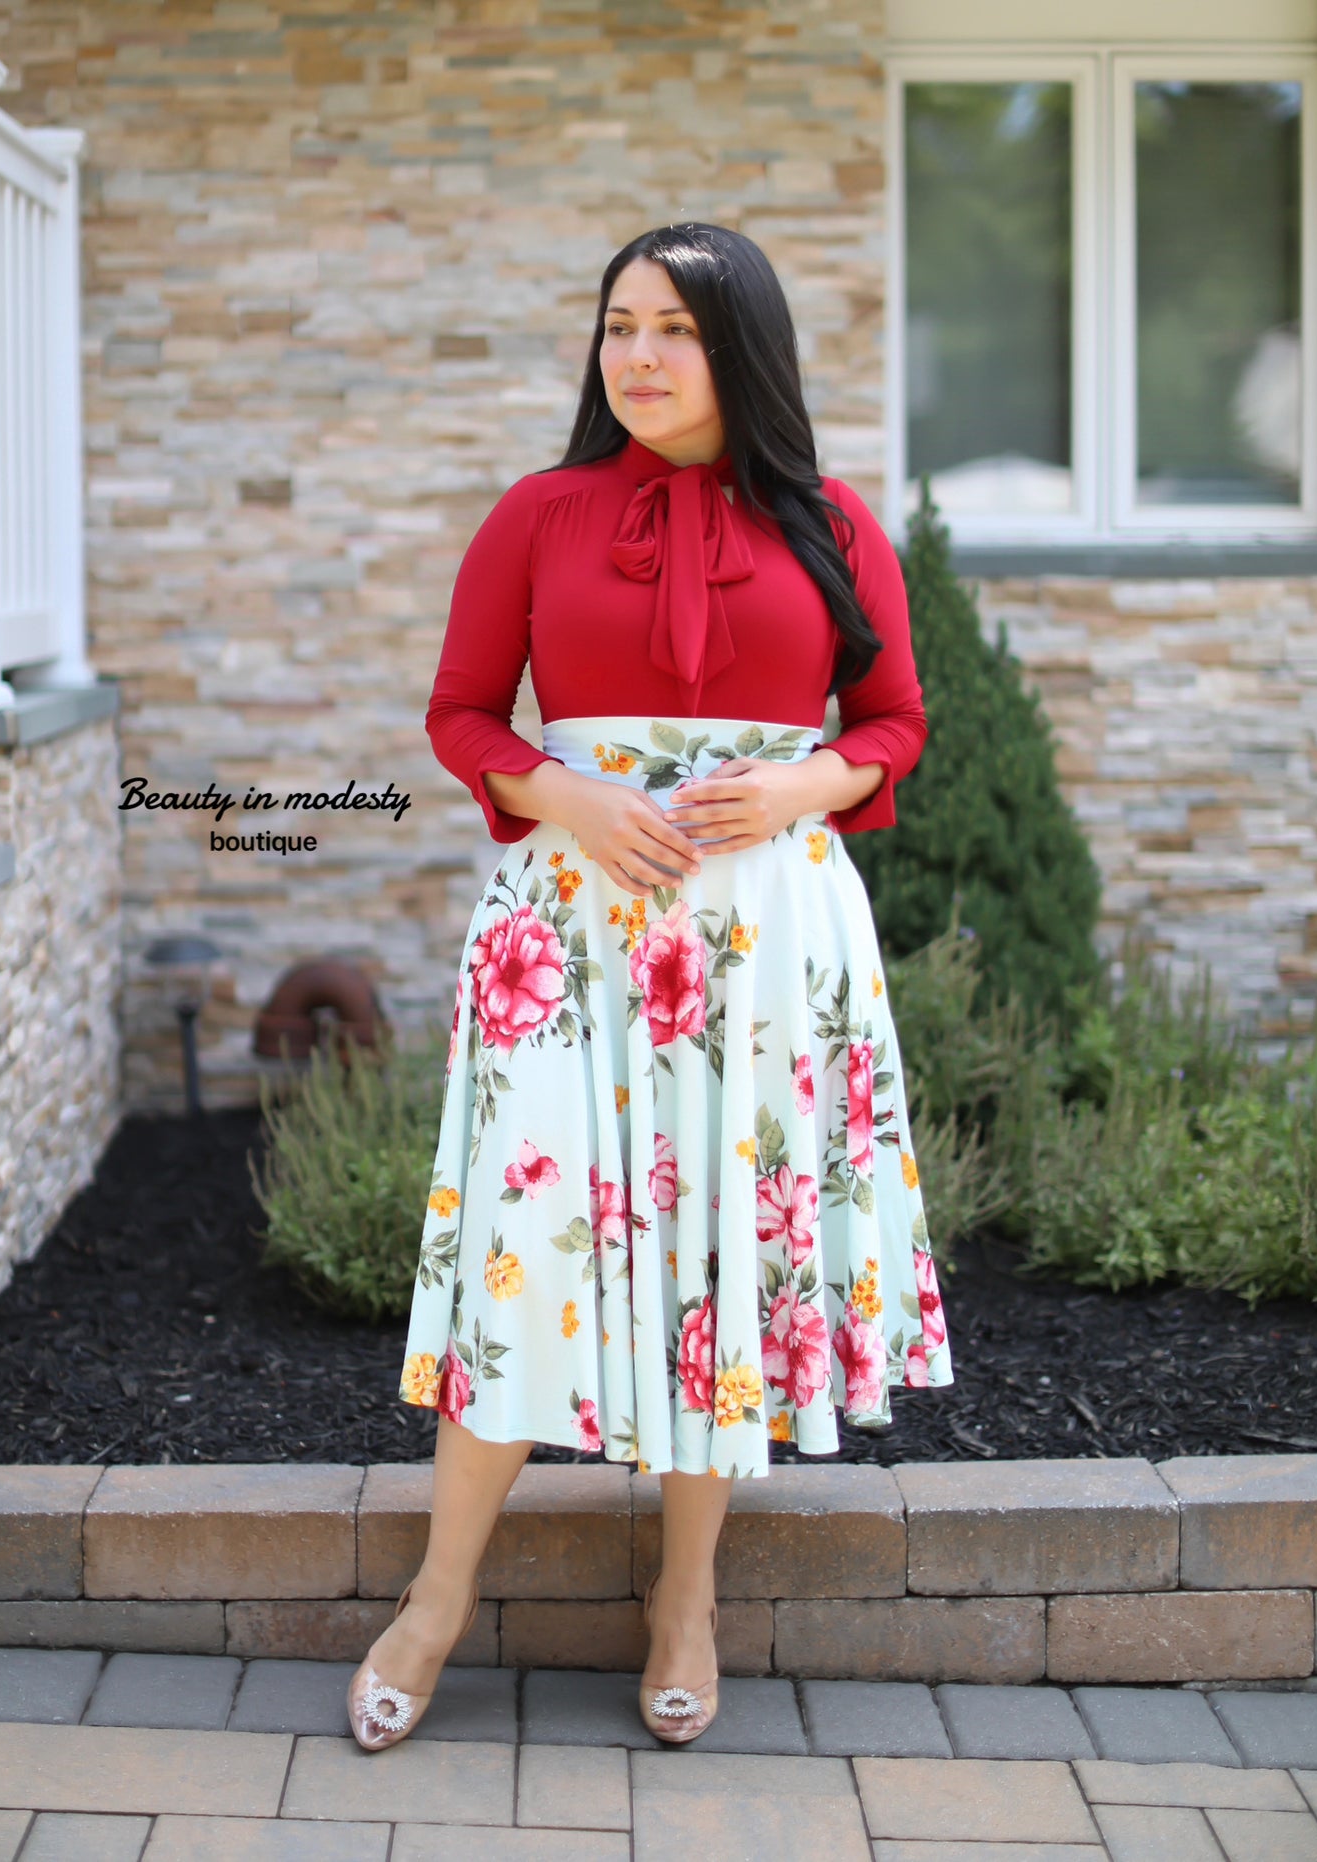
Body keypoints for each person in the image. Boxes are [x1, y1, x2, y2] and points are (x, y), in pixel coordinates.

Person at [347, 221, 955, 1752]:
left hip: (763, 946)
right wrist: (570, 797)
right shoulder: (538, 516)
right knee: (520, 1247)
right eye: (619, 324)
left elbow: (893, 721)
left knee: (717, 1270)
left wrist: (802, 782)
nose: (638, 355)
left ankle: (686, 1599)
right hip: (570, 932)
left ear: (739, 347)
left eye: (675, 328)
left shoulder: (832, 525)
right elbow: (465, 712)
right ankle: (434, 1598)